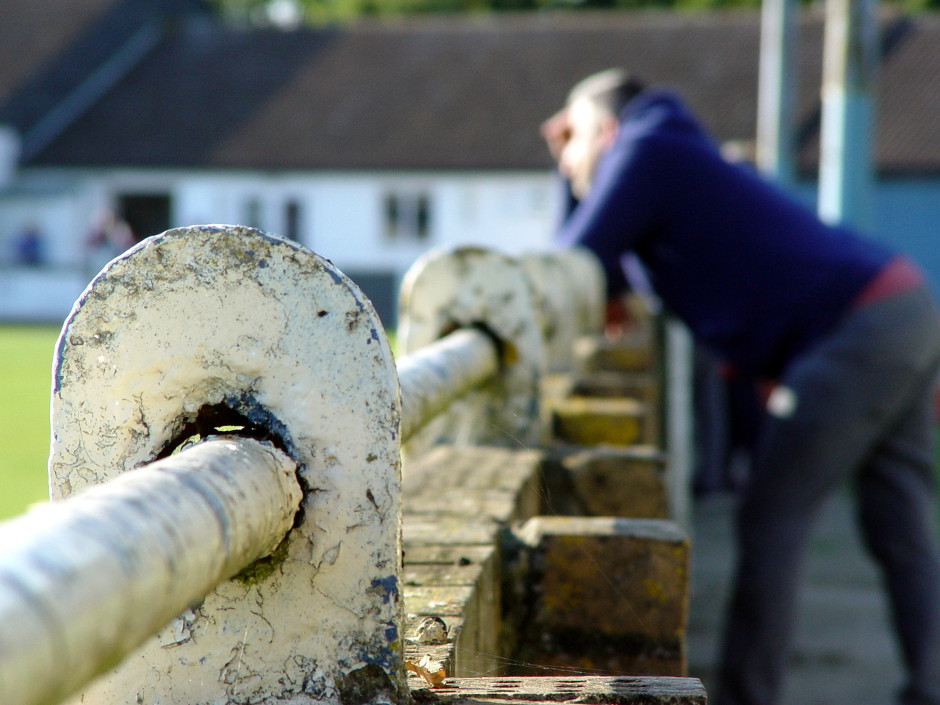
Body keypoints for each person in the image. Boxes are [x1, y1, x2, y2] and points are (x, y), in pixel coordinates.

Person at [543, 68, 940, 705]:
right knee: (899, 517)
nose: (567, 159)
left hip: (856, 329)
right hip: (902, 305)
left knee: (770, 519)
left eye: (574, 138)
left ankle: (748, 694)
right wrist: (567, 162)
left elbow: (576, 252)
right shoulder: (670, 153)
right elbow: (600, 264)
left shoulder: (648, 148)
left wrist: (561, 176)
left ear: (608, 130)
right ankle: (929, 683)